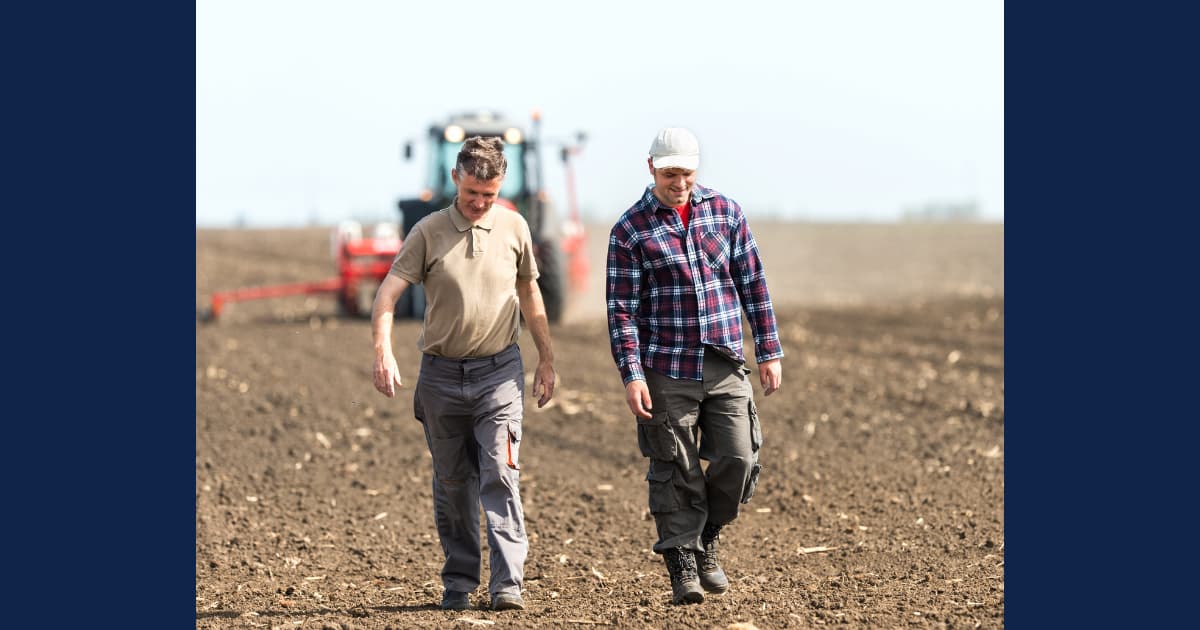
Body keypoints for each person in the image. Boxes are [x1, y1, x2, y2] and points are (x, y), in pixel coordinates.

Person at [371, 136, 556, 612]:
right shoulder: (427, 231)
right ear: (456, 178)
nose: (479, 204)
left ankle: (506, 585)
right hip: (440, 378)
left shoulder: (515, 227)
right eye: (472, 193)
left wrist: (547, 359)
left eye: (489, 196)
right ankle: (458, 582)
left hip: (499, 374)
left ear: (501, 187)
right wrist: (383, 353)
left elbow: (531, 297)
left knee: (501, 473)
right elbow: (387, 296)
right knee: (453, 484)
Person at [605, 127, 784, 605]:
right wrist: (633, 375)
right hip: (666, 365)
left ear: (695, 169)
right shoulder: (630, 230)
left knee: (738, 457)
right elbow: (621, 311)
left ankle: (708, 536)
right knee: (676, 466)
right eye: (669, 174)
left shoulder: (725, 213)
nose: (678, 182)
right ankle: (683, 562)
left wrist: (768, 349)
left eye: (685, 172)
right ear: (651, 169)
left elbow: (754, 283)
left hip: (724, 361)